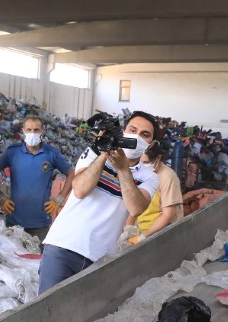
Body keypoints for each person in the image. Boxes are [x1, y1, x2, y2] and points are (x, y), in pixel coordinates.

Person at [37, 112, 160, 293]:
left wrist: (123, 169)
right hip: (64, 246)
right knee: (48, 312)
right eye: (132, 130)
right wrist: (105, 152)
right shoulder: (94, 152)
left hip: (99, 259)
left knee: (82, 317)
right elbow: (79, 189)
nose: (137, 136)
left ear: (152, 144)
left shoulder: (149, 177)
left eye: (145, 134)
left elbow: (136, 208)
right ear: (123, 132)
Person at [0, 116, 74, 239]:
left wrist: (59, 199)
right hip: (14, 221)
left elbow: (71, 174)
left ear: (42, 132)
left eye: (36, 130)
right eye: (29, 130)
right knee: (13, 256)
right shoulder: (12, 152)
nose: (32, 133)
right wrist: (0, 198)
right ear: (23, 131)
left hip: (40, 224)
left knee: (37, 257)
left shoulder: (51, 154)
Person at [126, 113, 184, 244]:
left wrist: (142, 237)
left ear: (158, 158)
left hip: (163, 237)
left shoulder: (167, 177)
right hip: (142, 231)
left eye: (147, 163)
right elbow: (133, 208)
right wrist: (127, 231)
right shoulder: (138, 172)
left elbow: (167, 215)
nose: (144, 166)